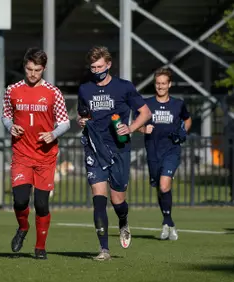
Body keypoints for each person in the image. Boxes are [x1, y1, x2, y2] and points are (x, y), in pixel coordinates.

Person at [77, 46, 151, 261]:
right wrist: (82, 121)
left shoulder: (124, 87)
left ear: (108, 65)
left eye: (100, 66)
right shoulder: (85, 89)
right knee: (98, 199)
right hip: (94, 147)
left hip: (119, 147)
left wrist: (131, 128)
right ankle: (104, 249)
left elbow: (145, 113)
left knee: (118, 199)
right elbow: (83, 116)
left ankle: (123, 220)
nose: (96, 70)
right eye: (92, 67)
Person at [1, 47, 70, 260]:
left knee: (41, 204)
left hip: (45, 156)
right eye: (29, 69)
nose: (32, 74)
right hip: (22, 153)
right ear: (24, 66)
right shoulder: (12, 90)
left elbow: (65, 122)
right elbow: (5, 115)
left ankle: (40, 247)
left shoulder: (53, 92)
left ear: (44, 69)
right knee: (20, 201)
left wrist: (53, 133)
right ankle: (23, 227)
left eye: (37, 70)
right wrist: (10, 127)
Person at [138, 68, 192, 240]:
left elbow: (187, 119)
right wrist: (143, 128)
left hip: (172, 150)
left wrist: (184, 131)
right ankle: (169, 223)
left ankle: (167, 223)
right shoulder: (147, 104)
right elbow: (134, 123)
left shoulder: (178, 104)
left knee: (164, 184)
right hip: (153, 152)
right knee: (161, 189)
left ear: (169, 84)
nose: (160, 86)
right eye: (158, 83)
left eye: (164, 83)